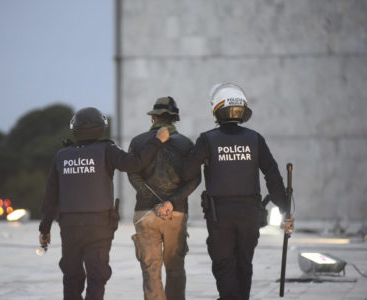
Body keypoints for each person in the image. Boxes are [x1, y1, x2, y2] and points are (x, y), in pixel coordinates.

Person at [38, 107, 170, 300]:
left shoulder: (62, 155)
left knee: (72, 277)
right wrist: (157, 141)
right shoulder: (107, 150)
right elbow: (134, 163)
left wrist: (45, 228)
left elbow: (50, 196)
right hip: (99, 225)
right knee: (96, 276)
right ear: (100, 128)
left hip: (69, 226)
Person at [182, 83, 295, 300]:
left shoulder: (207, 139)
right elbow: (272, 175)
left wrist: (198, 157)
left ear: (217, 109)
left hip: (220, 215)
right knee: (244, 263)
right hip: (250, 214)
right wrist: (285, 210)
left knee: (224, 264)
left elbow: (187, 173)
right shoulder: (255, 139)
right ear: (242, 109)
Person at [128, 97, 201, 300]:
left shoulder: (138, 142)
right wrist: (170, 202)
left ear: (153, 117)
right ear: (175, 118)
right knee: (175, 269)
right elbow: (195, 179)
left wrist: (153, 202)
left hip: (145, 213)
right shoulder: (186, 144)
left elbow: (132, 174)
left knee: (151, 270)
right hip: (175, 213)